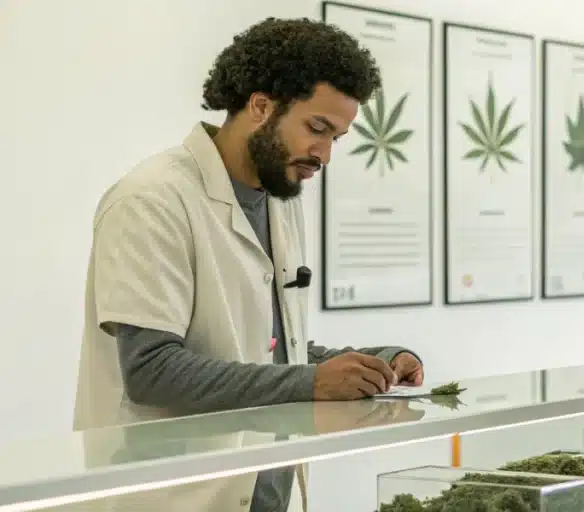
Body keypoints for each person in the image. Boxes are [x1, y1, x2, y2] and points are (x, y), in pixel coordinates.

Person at [72, 17, 424, 512]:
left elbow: (267, 348)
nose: (323, 154)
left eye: (336, 138)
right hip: (167, 497)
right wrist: (313, 382)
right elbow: (150, 370)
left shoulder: (280, 200)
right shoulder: (150, 199)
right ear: (260, 106)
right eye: (316, 128)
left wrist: (372, 362)